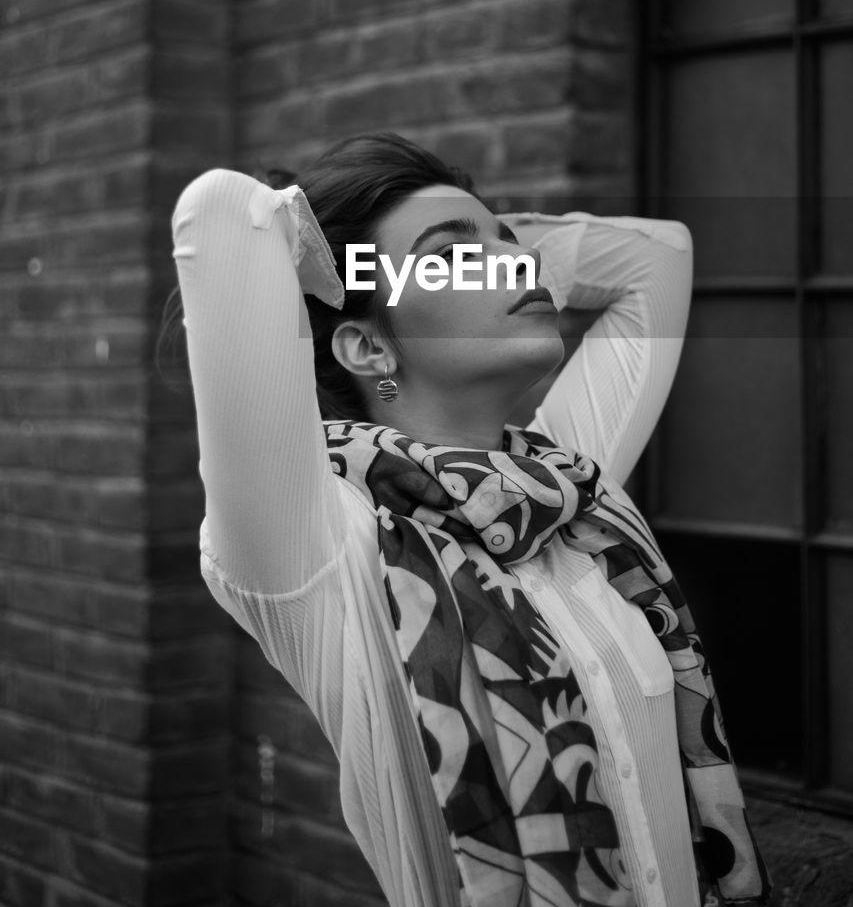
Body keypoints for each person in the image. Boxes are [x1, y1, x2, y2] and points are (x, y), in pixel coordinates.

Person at [169, 131, 771, 907]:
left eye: (514, 250)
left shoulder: (566, 492)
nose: (517, 266)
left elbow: (656, 255)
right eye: (453, 256)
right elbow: (220, 216)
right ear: (365, 345)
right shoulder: (318, 542)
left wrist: (470, 232)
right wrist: (340, 241)